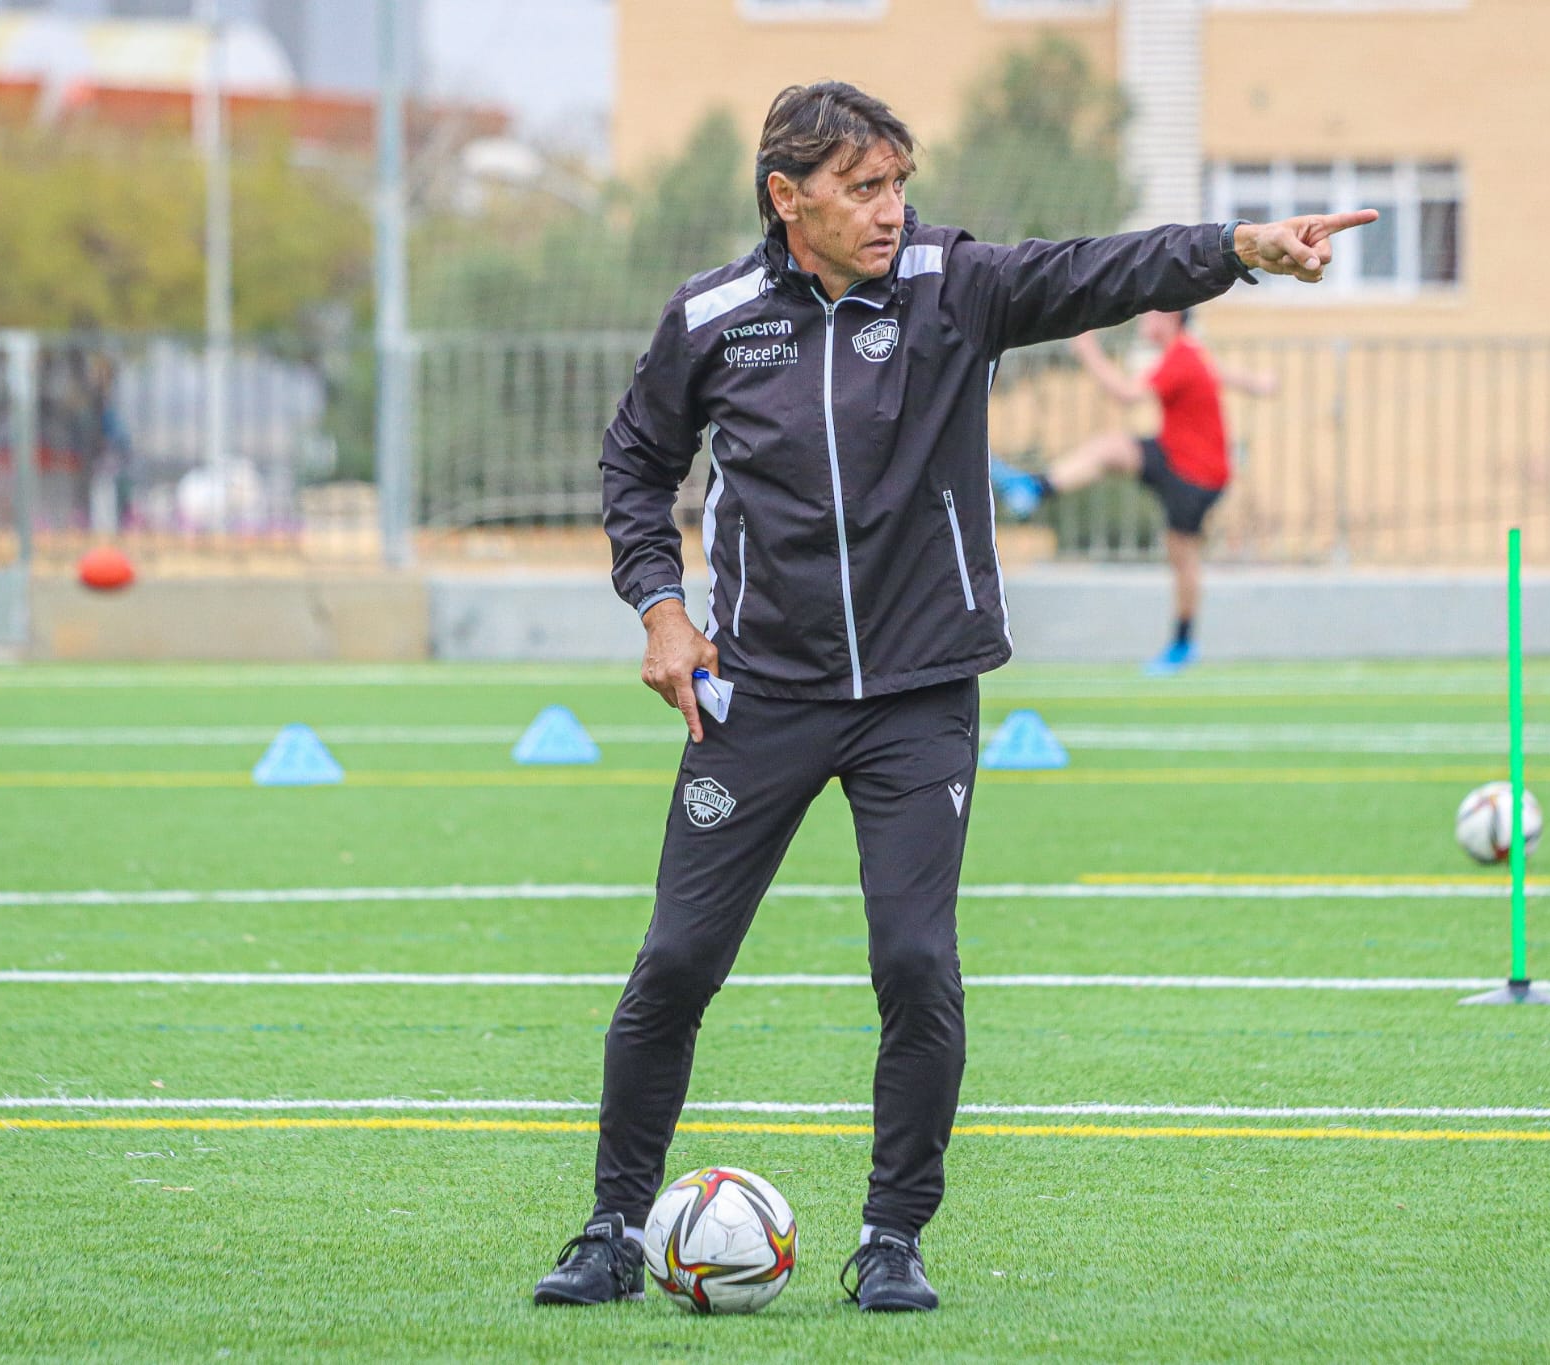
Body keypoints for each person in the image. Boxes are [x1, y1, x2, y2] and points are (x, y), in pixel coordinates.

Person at [532, 80, 1374, 1314]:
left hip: (918, 696)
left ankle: (891, 1236)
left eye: (896, 184)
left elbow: (1094, 271)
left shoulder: (949, 283)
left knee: (916, 961)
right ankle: (611, 1226)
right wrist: (660, 606)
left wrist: (1238, 250)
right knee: (675, 961)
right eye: (860, 188)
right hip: (755, 691)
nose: (890, 210)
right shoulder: (708, 318)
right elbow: (635, 464)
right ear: (787, 196)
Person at [992, 310, 1275, 672]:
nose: (1144, 318)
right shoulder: (1187, 351)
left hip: (1195, 475)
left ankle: (1183, 644)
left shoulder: (1180, 357)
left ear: (1171, 317)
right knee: (1112, 449)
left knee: (1182, 557)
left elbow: (1127, 395)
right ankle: (1034, 488)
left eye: (1152, 311)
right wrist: (1258, 384)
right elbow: (1218, 371)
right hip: (1175, 455)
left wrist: (1087, 349)